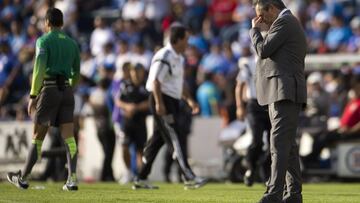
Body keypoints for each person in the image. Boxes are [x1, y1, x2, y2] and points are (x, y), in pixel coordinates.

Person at [6, 8, 80, 191]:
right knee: (69, 138)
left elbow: (39, 70)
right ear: (61, 23)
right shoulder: (72, 43)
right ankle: (72, 180)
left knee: (37, 136)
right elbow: (76, 73)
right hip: (67, 91)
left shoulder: (43, 40)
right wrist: (69, 85)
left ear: (47, 22)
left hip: (49, 90)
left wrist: (33, 95)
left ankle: (23, 177)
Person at [133, 23, 207, 190]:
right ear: (178, 39)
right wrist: (159, 103)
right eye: (186, 39)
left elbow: (179, 83)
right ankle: (188, 176)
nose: (188, 43)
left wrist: (189, 100)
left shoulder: (178, 57)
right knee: (176, 137)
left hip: (171, 101)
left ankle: (140, 177)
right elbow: (155, 81)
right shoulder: (164, 55)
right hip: (162, 100)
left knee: (156, 142)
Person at [250, 1, 307, 202]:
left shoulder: (285, 22)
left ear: (272, 8)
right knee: (287, 145)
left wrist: (254, 31)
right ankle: (293, 194)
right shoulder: (285, 23)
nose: (260, 20)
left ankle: (273, 193)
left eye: (262, 15)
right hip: (282, 91)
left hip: (285, 91)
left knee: (279, 143)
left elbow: (263, 50)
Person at [235, 43, 271, 187]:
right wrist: (239, 106)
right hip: (254, 104)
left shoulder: (272, 62)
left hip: (270, 104)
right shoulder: (248, 63)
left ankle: (266, 173)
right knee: (257, 139)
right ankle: (250, 167)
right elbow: (240, 85)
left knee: (273, 142)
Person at [115, 63, 149, 183]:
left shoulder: (147, 85)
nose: (135, 73)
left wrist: (137, 107)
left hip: (140, 121)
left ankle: (140, 175)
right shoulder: (125, 84)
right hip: (127, 122)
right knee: (124, 146)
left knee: (141, 149)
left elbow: (150, 102)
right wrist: (127, 107)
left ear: (142, 72)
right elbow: (118, 100)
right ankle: (128, 172)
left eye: (137, 71)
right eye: (133, 71)